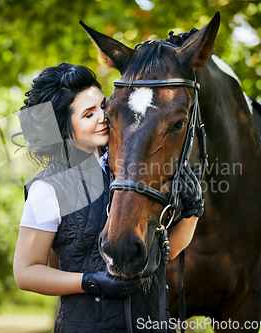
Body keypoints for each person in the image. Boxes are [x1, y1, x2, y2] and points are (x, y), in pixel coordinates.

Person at [12, 63, 202, 332]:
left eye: (103, 106)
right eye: (89, 114)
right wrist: (90, 281)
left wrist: (193, 212)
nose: (103, 117)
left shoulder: (133, 173)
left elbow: (165, 254)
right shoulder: (48, 190)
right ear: (65, 128)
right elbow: (25, 272)